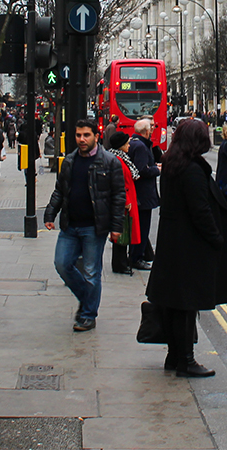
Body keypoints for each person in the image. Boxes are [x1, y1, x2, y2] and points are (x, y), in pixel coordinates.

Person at [146, 119, 227, 378]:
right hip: (189, 246)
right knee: (186, 305)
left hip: (173, 243)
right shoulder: (192, 170)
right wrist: (216, 238)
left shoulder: (174, 164)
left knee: (175, 303)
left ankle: (174, 357)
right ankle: (186, 360)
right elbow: (200, 211)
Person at [44, 120, 126, 332]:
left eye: (86, 135)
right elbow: (60, 191)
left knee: (91, 271)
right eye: (79, 135)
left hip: (94, 227)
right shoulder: (70, 161)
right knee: (62, 264)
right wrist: (50, 213)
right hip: (70, 225)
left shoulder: (110, 162)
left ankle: (88, 315)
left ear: (96, 136)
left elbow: (119, 196)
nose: (82, 139)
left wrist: (116, 227)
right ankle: (87, 300)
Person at [127, 118, 160, 270]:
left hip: (138, 194)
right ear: (147, 131)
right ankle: (136, 257)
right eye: (151, 127)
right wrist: (156, 170)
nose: (153, 129)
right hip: (143, 195)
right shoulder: (140, 146)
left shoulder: (133, 142)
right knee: (142, 226)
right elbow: (142, 170)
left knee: (139, 226)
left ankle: (138, 255)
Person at [107, 131, 140, 276]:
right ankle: (119, 264)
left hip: (128, 197)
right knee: (122, 231)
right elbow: (118, 182)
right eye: (126, 143)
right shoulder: (118, 160)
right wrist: (125, 201)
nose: (129, 145)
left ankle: (122, 261)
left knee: (125, 231)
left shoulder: (121, 158)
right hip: (125, 200)